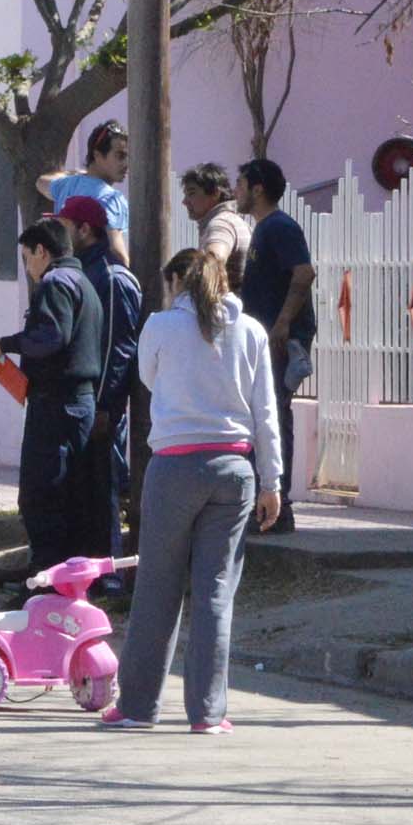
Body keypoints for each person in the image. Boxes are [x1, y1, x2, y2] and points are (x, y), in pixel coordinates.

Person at [103, 248, 283, 733]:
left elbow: (147, 378)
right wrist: (273, 482)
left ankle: (138, 707)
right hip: (234, 471)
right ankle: (207, 713)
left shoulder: (161, 327)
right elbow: (265, 413)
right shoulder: (251, 333)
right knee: (215, 593)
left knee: (157, 589)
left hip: (173, 469)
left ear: (179, 283)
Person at [0, 218, 105, 573]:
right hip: (80, 403)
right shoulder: (84, 282)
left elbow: (50, 338)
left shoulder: (54, 283)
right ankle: (70, 584)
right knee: (71, 497)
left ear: (42, 252)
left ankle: (45, 585)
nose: (28, 268)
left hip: (56, 405)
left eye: (27, 258)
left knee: (41, 497)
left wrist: (5, 345)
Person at [58, 194, 142, 558]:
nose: (60, 232)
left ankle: (107, 571)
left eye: (65, 226)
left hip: (100, 406)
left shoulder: (109, 277)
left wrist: (104, 405)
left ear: (84, 229)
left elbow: (116, 347)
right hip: (82, 404)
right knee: (81, 488)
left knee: (102, 487)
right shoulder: (84, 272)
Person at [235, 157, 315, 532]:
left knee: (275, 418)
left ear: (257, 188)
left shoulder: (280, 227)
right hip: (264, 337)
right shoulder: (263, 230)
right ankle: (269, 508)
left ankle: (278, 510)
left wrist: (283, 324)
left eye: (240, 184)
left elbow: (304, 272)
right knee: (267, 417)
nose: (235, 192)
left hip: (278, 341)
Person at [38, 120, 132, 265]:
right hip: (96, 281)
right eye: (120, 156)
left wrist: (76, 174)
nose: (126, 164)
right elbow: (119, 255)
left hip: (65, 273)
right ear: (97, 155)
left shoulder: (68, 184)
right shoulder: (112, 198)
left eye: (128, 157)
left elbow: (41, 182)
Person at [181, 162, 253, 269]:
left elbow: (212, 265)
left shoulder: (221, 224)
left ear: (215, 193)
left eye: (191, 193)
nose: (184, 201)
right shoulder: (232, 220)